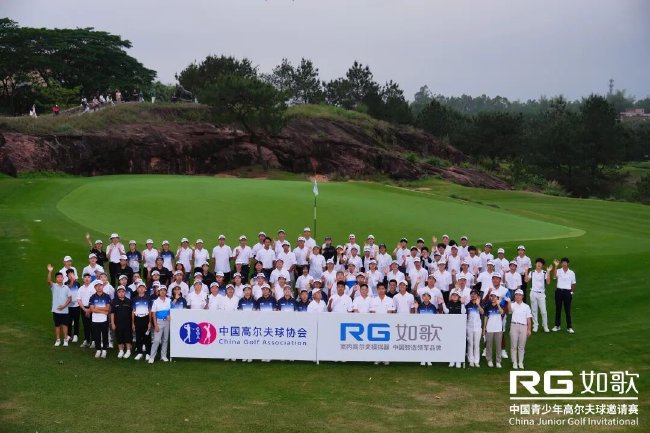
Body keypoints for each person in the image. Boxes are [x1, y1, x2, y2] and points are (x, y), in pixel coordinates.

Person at [47, 264, 72, 347]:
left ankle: (65, 339)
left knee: (65, 325)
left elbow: (70, 298)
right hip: (56, 310)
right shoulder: (54, 286)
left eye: (61, 277)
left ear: (63, 278)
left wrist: (64, 306)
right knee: (57, 325)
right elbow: (49, 281)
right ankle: (58, 339)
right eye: (58, 277)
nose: (60, 278)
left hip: (64, 310)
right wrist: (50, 272)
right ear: (56, 279)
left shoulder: (66, 287)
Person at [507, 289, 532, 369]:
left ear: (522, 296)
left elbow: (528, 319)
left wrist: (529, 329)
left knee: (521, 346)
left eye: (519, 295)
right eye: (516, 295)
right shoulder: (512, 304)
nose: (518, 296)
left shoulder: (526, 306)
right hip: (514, 325)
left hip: (523, 327)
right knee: (513, 346)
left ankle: (520, 362)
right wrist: (509, 303)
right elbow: (509, 311)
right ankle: (514, 362)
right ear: (515, 296)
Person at [526, 258, 552, 332]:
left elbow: (548, 282)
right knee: (534, 310)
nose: (539, 264)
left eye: (540, 263)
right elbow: (526, 280)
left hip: (541, 294)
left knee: (543, 311)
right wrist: (526, 271)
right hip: (533, 293)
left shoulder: (544, 272)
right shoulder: (532, 272)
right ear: (535, 264)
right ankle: (535, 325)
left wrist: (548, 272)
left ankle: (545, 326)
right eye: (537, 263)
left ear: (542, 265)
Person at [552, 257, 576, 333]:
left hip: (567, 292)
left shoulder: (571, 272)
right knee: (558, 309)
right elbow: (554, 277)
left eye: (565, 262)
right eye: (562, 262)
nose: (564, 264)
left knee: (567, 310)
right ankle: (557, 326)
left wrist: (572, 292)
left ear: (568, 263)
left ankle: (569, 327)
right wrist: (556, 266)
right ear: (561, 263)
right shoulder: (559, 270)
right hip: (559, 291)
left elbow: (573, 283)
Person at [89, 279, 111, 358]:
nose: (99, 287)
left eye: (100, 285)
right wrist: (102, 311)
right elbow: (92, 309)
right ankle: (98, 349)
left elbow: (107, 308)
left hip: (104, 320)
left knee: (105, 335)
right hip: (95, 320)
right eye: (97, 286)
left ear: (102, 286)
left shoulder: (107, 296)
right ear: (95, 287)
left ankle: (104, 350)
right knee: (97, 335)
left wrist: (97, 307)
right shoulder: (92, 297)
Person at [149, 286, 171, 363]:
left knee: (165, 339)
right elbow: (153, 314)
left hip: (167, 322)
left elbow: (172, 310)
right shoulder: (156, 302)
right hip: (159, 322)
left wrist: (169, 315)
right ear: (158, 292)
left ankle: (163, 356)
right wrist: (155, 325)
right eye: (161, 290)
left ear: (166, 292)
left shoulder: (169, 300)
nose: (163, 291)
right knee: (157, 340)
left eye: (164, 290)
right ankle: (152, 357)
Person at [111, 286, 133, 359]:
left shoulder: (129, 301)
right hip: (118, 323)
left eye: (123, 292)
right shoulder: (114, 301)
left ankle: (128, 350)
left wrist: (133, 323)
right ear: (117, 293)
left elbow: (132, 313)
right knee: (119, 336)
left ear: (125, 292)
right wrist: (112, 323)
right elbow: (112, 313)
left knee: (128, 336)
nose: (121, 293)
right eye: (119, 292)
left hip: (128, 323)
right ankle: (121, 350)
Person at [131, 282, 152, 361]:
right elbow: (133, 311)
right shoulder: (134, 299)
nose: (141, 288)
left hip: (146, 318)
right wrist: (133, 323)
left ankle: (148, 353)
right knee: (138, 336)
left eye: (143, 287)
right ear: (137, 289)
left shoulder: (148, 298)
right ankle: (139, 352)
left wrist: (150, 322)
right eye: (139, 287)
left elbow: (150, 311)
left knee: (147, 337)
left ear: (145, 289)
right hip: (137, 319)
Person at [445, 290, 466, 368]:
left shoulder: (461, 304)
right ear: (451, 296)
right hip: (450, 326)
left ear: (458, 297)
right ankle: (452, 360)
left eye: (456, 295)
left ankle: (458, 360)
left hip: (459, 327)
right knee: (451, 343)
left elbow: (463, 312)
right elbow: (446, 312)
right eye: (453, 295)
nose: (454, 296)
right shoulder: (448, 304)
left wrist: (463, 303)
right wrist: (443, 303)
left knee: (458, 344)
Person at [483, 293, 504, 368]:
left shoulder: (500, 305)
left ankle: (498, 361)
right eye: (492, 296)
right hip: (489, 328)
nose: (493, 298)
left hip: (498, 329)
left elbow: (502, 313)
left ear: (497, 298)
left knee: (498, 346)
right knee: (489, 345)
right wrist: (484, 328)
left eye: (495, 296)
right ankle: (489, 360)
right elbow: (485, 318)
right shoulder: (488, 306)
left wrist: (498, 304)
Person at [466, 289, 484, 368]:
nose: (473, 295)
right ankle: (471, 360)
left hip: (477, 327)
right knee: (470, 344)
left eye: (475, 294)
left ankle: (476, 361)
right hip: (469, 326)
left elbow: (482, 312)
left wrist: (478, 304)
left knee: (476, 344)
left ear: (477, 296)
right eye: (472, 294)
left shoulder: (480, 304)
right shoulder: (467, 305)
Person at [77, 273, 95, 347]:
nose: (87, 279)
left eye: (88, 277)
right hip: (83, 308)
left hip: (92, 308)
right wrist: (84, 309)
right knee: (85, 325)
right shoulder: (81, 288)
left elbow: (94, 299)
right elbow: (79, 299)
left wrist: (89, 309)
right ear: (83, 279)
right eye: (85, 277)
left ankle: (93, 341)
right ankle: (87, 340)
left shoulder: (93, 288)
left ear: (91, 279)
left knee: (92, 325)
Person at [65, 269, 81, 343]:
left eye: (72, 274)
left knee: (76, 321)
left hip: (77, 306)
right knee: (69, 321)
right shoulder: (65, 283)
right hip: (68, 306)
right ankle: (69, 335)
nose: (71, 275)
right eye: (69, 274)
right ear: (67, 276)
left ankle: (76, 335)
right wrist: (72, 280)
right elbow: (69, 287)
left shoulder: (77, 283)